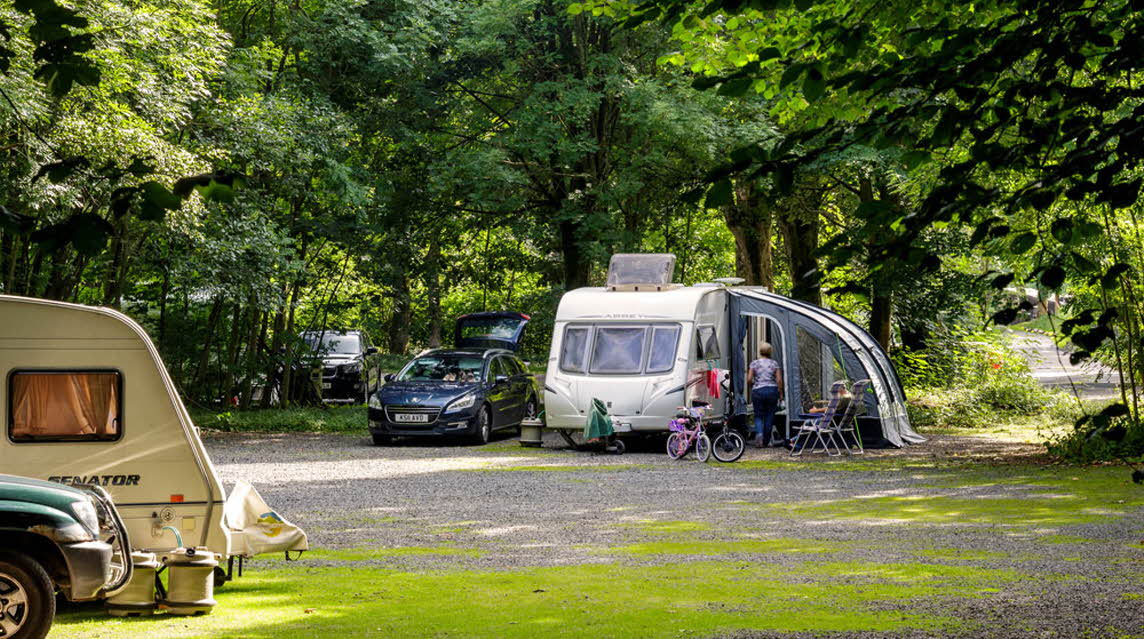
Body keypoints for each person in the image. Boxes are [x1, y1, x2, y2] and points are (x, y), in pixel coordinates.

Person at [746, 343, 783, 448]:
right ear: (770, 352)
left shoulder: (754, 364)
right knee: (769, 415)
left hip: (758, 391)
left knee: (758, 415)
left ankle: (759, 435)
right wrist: (780, 393)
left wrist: (752, 386)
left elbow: (749, 379)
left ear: (760, 352)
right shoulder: (774, 364)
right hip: (772, 390)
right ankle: (766, 440)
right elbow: (779, 380)